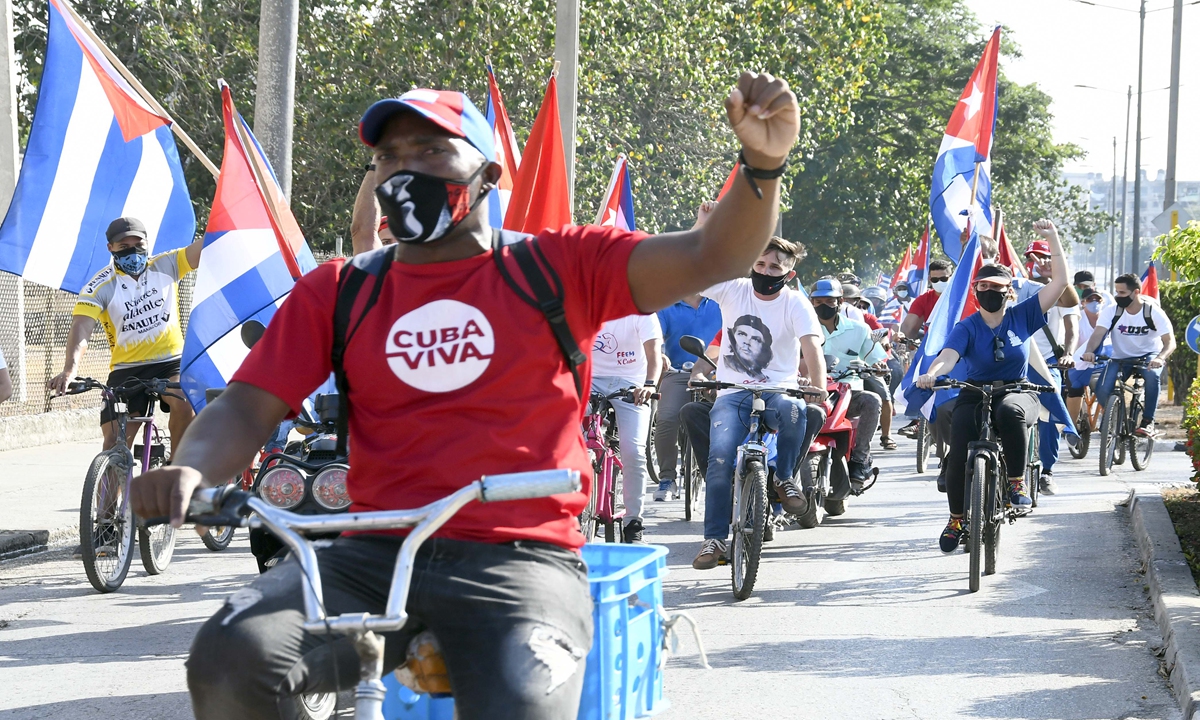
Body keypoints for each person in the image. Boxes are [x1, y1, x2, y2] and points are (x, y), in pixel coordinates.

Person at [129, 74, 802, 719]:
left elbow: (711, 255)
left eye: (430, 150)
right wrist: (193, 469)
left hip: (521, 557)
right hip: (374, 552)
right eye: (388, 156)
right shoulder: (341, 290)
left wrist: (761, 166)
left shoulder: (557, 267)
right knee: (230, 661)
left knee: (522, 703)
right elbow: (248, 403)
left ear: (487, 174)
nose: (404, 170)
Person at [916, 219, 1069, 552]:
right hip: (974, 392)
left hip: (1017, 389)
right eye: (983, 288)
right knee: (958, 453)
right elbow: (948, 356)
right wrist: (932, 373)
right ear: (975, 291)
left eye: (997, 288)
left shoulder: (1023, 315)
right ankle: (957, 518)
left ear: (1009, 290)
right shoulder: (967, 326)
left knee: (1011, 412)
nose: (990, 293)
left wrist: (1053, 238)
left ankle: (1016, 483)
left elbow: (1060, 283)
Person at [692, 237, 826, 570]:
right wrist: (703, 227)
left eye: (776, 267)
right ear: (752, 263)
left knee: (797, 411)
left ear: (790, 274)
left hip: (779, 391)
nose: (766, 272)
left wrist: (819, 388)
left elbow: (812, 348)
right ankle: (714, 539)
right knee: (720, 459)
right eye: (761, 264)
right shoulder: (733, 289)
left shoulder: (795, 303)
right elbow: (692, 272)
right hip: (732, 393)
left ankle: (783, 479)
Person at [48, 217, 202, 453]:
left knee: (184, 402)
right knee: (114, 444)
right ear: (110, 248)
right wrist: (71, 368)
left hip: (170, 363)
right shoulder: (98, 286)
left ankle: (175, 470)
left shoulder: (167, 264)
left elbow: (208, 245)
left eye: (139, 245)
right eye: (124, 247)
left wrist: (228, 193)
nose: (134, 253)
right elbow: (81, 328)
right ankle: (112, 486)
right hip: (126, 370)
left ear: (147, 244)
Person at [653, 204, 723, 502]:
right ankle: (668, 478)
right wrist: (660, 356)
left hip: (719, 376)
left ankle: (724, 476)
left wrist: (710, 225)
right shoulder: (665, 302)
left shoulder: (724, 299)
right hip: (679, 375)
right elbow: (653, 337)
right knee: (667, 418)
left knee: (728, 420)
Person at [591, 313, 663, 542]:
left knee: (633, 450)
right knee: (568, 443)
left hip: (632, 383)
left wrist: (649, 386)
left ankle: (633, 520)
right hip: (589, 379)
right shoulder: (587, 303)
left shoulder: (642, 310)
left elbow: (654, 356)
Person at [1018, 240, 1080, 495]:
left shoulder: (1062, 292)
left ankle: (1047, 471)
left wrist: (1067, 353)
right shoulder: (1017, 288)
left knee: (1049, 411)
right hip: (1013, 365)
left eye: (1045, 258)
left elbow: (1071, 328)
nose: (1039, 263)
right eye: (1033, 258)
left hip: (1045, 364)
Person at [1082, 273, 1175, 437]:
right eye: (1117, 292)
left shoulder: (1153, 312)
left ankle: (1148, 422)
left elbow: (1170, 342)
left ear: (1136, 292)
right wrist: (1089, 351)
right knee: (1102, 389)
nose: (1118, 296)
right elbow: (1097, 335)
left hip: (1149, 356)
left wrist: (1160, 358)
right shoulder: (1112, 311)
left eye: (1123, 293)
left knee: (1152, 375)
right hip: (1120, 358)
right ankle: (1116, 414)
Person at [810, 279, 884, 480]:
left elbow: (875, 358)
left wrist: (878, 367)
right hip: (810, 391)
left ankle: (860, 460)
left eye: (829, 300)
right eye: (818, 301)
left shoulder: (859, 329)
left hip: (847, 393)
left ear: (840, 301)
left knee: (873, 400)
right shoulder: (803, 329)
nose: (823, 305)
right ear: (811, 303)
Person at [841, 283, 896, 450]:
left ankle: (885, 436)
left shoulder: (865, 320)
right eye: (844, 300)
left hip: (862, 366)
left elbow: (882, 335)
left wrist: (883, 346)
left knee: (882, 396)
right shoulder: (817, 323)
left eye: (851, 301)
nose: (846, 305)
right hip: (834, 373)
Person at [898, 259, 952, 342]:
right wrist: (900, 335)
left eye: (943, 279)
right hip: (932, 347)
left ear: (952, 277)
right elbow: (907, 326)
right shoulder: (922, 300)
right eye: (935, 280)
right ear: (930, 279)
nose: (939, 282)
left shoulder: (964, 297)